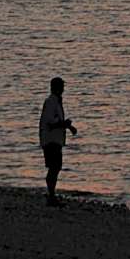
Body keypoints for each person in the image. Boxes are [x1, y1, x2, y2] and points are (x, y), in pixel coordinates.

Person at [39, 77, 77, 206]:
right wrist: (65, 124)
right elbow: (50, 123)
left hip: (55, 140)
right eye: (61, 87)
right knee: (54, 167)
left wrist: (68, 127)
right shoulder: (51, 102)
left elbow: (55, 121)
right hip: (51, 141)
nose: (63, 89)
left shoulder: (56, 102)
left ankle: (51, 195)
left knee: (55, 167)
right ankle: (51, 196)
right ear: (56, 88)